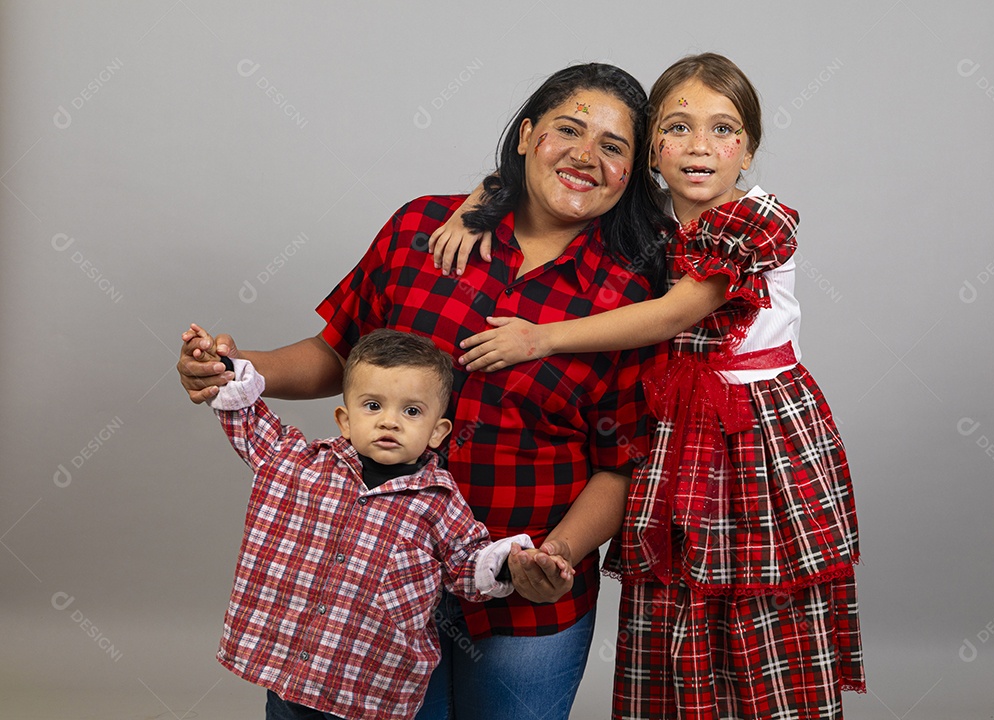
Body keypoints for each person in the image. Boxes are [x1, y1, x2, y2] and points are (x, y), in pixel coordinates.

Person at [177, 63, 667, 720]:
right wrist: (241, 368)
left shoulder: (633, 300)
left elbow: (621, 464)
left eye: (613, 146)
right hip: (373, 579)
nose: (586, 156)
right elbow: (338, 354)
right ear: (526, 136)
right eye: (567, 130)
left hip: (522, 603)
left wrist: (555, 555)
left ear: (633, 171)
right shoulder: (423, 230)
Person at [442, 53, 865, 719]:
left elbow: (673, 313)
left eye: (724, 130)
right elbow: (530, 171)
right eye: (676, 128)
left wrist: (541, 337)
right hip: (675, 432)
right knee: (678, 597)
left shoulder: (761, 222)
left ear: (748, 149)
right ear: (650, 153)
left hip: (754, 434)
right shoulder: (653, 219)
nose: (701, 146)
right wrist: (475, 208)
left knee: (758, 599)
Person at [192, 325, 564, 719]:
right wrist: (219, 365)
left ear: (437, 432)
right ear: (345, 419)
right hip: (291, 677)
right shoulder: (299, 464)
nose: (390, 422)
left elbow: (468, 564)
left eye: (412, 411)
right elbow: (250, 423)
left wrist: (511, 561)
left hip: (370, 688)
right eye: (373, 406)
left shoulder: (438, 502)